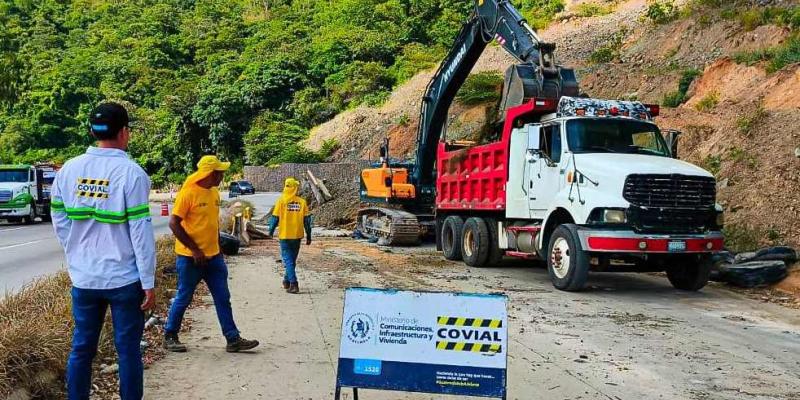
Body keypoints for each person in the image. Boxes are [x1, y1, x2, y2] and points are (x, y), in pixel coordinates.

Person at [51, 102, 156, 400]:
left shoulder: (69, 170)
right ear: (125, 132)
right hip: (124, 279)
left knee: (82, 348)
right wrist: (148, 282)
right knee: (127, 351)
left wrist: (75, 249)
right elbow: (140, 233)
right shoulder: (131, 173)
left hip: (84, 279)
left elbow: (58, 217)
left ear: (92, 131)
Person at [163, 155, 259, 353]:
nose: (222, 175)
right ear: (210, 174)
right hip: (190, 259)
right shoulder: (188, 193)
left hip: (214, 258)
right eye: (220, 172)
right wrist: (195, 250)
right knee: (184, 297)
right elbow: (173, 223)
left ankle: (233, 339)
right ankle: (170, 335)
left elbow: (211, 224)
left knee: (223, 297)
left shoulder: (214, 193)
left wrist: (218, 248)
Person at [268, 177, 312, 294]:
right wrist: (309, 236)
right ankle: (286, 281)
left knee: (288, 260)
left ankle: (294, 284)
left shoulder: (281, 201)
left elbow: (274, 219)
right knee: (291, 260)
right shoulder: (302, 202)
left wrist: (270, 232)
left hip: (285, 236)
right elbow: (307, 221)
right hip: (297, 236)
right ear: (295, 188)